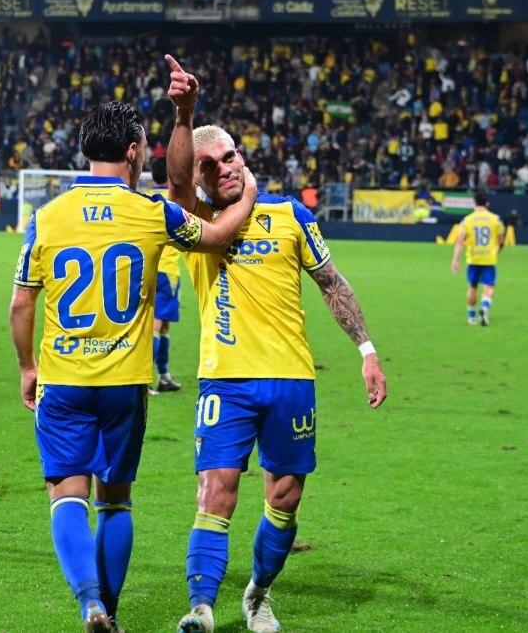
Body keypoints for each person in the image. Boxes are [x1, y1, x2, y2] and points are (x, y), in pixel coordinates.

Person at [9, 100, 256, 633]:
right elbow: (216, 237)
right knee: (115, 502)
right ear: (131, 151)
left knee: (66, 497)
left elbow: (21, 303)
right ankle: (111, 613)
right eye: (144, 148)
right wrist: (250, 195)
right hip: (124, 384)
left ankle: (89, 604)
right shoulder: (152, 212)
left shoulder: (47, 217)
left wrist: (28, 367)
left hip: (64, 381)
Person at [163, 55, 387, 633]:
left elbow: (331, 283)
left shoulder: (290, 214)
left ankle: (258, 593)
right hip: (225, 378)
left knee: (284, 497)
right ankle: (201, 608)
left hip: (291, 380)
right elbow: (178, 181)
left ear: (244, 155)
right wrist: (185, 114)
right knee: (216, 491)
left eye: (230, 155)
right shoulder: (194, 222)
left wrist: (366, 351)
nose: (223, 168)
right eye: (211, 164)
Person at [150, 156, 184, 394]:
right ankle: (145, 380)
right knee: (157, 325)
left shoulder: (148, 200)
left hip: (152, 269)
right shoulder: (175, 202)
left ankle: (163, 376)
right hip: (166, 272)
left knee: (162, 328)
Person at [451, 192, 506, 325]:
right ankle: (485, 307)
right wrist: (496, 251)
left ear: (474, 203)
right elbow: (502, 241)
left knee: (472, 287)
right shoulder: (496, 219)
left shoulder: (466, 220)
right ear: (487, 203)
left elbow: (459, 242)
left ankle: (471, 317)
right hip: (489, 259)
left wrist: (455, 260)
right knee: (488, 287)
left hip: (473, 259)